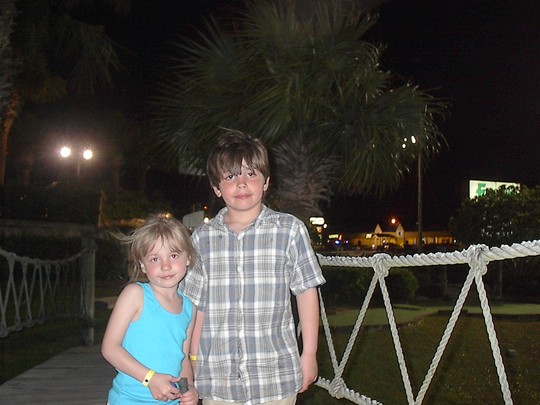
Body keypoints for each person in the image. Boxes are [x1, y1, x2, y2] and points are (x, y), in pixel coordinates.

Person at [181, 129, 326, 405]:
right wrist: (188, 360)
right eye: (230, 176)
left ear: (266, 181)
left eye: (251, 174)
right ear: (216, 187)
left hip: (275, 377)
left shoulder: (290, 230)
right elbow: (194, 306)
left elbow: (307, 292)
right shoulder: (202, 238)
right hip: (217, 379)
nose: (242, 184)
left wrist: (309, 354)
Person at [102, 213, 199, 405]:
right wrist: (150, 378)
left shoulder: (189, 308)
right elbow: (110, 348)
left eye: (173, 255)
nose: (166, 266)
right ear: (142, 265)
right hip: (129, 400)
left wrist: (189, 388)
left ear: (188, 258)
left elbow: (183, 359)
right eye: (155, 259)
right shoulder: (135, 295)